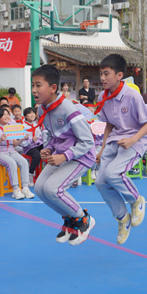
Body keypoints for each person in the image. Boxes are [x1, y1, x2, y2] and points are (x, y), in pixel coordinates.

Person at [32, 65, 96, 246]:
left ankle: (84, 219)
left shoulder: (68, 109)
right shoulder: (41, 109)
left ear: (53, 88)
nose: (34, 90)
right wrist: (49, 149)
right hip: (60, 154)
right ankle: (69, 219)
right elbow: (52, 135)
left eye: (38, 85)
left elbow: (87, 141)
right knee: (39, 189)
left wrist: (64, 156)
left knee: (53, 189)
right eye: (33, 85)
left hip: (81, 156)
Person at [95, 54, 147, 245]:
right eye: (101, 74)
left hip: (136, 139)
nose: (102, 78)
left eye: (106, 74)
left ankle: (136, 200)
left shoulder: (132, 95)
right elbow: (108, 125)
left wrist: (132, 140)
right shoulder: (103, 96)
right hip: (115, 139)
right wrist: (102, 149)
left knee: (113, 173)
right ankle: (122, 218)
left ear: (119, 75)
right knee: (101, 182)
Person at [0, 107, 35, 200]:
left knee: (24, 162)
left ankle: (25, 188)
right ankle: (16, 189)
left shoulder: (11, 128)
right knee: (12, 163)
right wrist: (0, 140)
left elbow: (14, 144)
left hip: (11, 151)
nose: (7, 116)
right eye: (4, 115)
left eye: (8, 115)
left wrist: (22, 139)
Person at [22, 107, 44, 187]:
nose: (32, 115)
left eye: (33, 113)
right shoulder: (23, 127)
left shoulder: (37, 124)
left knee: (48, 150)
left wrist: (39, 141)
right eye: (29, 113)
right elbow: (22, 143)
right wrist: (32, 140)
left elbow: (40, 136)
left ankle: (45, 175)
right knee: (37, 155)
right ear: (25, 116)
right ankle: (30, 174)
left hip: (37, 144)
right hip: (28, 147)